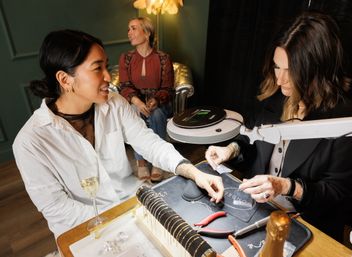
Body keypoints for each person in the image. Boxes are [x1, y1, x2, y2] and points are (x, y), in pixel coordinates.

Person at [12, 29, 223, 238]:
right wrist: (121, 220)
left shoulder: (115, 103)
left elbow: (149, 143)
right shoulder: (30, 142)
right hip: (87, 229)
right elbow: (58, 209)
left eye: (106, 65)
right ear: (65, 80)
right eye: (97, 68)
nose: (107, 76)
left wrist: (192, 171)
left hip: (132, 205)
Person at [205, 12, 352, 241]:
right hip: (254, 211)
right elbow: (250, 144)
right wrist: (230, 150)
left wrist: (286, 186)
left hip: (306, 227)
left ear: (317, 70)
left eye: (291, 70)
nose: (280, 79)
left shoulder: (348, 122)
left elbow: (338, 196)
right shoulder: (276, 98)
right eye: (277, 67)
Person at [119, 17, 174, 182]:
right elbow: (124, 86)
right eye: (129, 29)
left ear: (147, 32)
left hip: (160, 104)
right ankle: (141, 160)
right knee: (135, 114)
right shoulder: (126, 58)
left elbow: (167, 88)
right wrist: (137, 101)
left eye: (133, 28)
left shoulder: (163, 58)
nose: (129, 33)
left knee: (156, 114)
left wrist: (156, 100)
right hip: (136, 102)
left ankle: (158, 161)